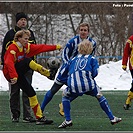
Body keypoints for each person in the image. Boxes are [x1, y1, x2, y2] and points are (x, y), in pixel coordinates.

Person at [58, 39, 122, 128]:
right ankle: (112, 118)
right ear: (90, 49)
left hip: (73, 86)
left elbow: (67, 71)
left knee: (65, 95)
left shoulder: (73, 59)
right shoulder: (92, 59)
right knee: (99, 95)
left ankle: (68, 120)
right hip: (88, 85)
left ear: (79, 48)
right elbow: (95, 72)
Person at [2, 29, 62, 125]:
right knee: (27, 61)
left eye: (28, 39)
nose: (27, 41)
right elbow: (8, 63)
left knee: (31, 93)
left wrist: (55, 47)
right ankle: (48, 74)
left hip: (18, 74)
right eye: (25, 39)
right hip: (10, 74)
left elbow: (41, 47)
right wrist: (13, 76)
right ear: (19, 38)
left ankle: (39, 117)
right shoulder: (13, 48)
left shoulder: (26, 47)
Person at [41, 22, 96, 115]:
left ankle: (63, 104)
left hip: (79, 73)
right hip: (66, 71)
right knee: (54, 90)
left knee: (79, 90)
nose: (83, 32)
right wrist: (69, 64)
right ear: (79, 31)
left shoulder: (93, 43)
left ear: (88, 32)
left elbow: (91, 56)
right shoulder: (72, 41)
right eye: (81, 30)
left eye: (85, 30)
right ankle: (40, 110)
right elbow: (64, 54)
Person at [1, 12, 37, 122]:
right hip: (14, 68)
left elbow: (34, 50)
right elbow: (4, 52)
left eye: (25, 20)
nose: (23, 21)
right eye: (21, 19)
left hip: (27, 67)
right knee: (14, 92)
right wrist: (5, 66)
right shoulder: (10, 34)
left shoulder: (30, 34)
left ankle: (27, 115)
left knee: (27, 91)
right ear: (17, 21)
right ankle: (15, 115)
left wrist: (33, 65)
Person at [122, 35, 133, 110]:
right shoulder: (131, 39)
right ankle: (128, 100)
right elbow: (126, 52)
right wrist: (124, 63)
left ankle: (128, 102)